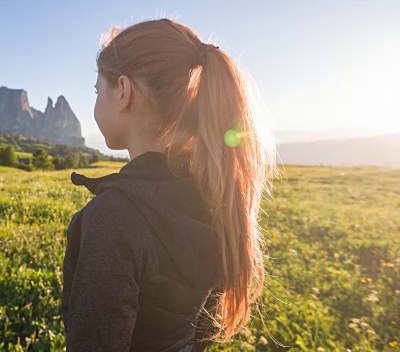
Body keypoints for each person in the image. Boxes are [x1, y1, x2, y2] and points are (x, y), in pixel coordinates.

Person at [61, 18, 275, 351]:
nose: (95, 101)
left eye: (97, 90)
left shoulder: (111, 218)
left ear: (123, 91)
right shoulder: (214, 195)